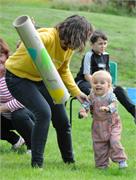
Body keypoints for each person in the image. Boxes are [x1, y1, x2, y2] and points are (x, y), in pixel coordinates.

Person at [5, 15, 94, 168]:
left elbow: (64, 70)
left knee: (62, 121)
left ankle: (69, 162)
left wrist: (77, 92)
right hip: (17, 78)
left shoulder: (67, 47)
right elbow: (34, 39)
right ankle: (37, 164)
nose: (83, 43)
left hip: (42, 78)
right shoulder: (48, 37)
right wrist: (28, 37)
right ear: (75, 34)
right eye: (83, 38)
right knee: (44, 113)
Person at [75, 30, 136, 123]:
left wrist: (109, 86)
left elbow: (107, 75)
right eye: (100, 44)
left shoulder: (106, 56)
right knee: (95, 92)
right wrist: (98, 87)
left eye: (105, 43)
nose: (103, 46)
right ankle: (90, 113)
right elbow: (87, 75)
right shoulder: (89, 55)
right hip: (85, 82)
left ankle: (134, 113)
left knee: (119, 90)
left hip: (103, 84)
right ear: (92, 44)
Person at [79, 70, 128, 169]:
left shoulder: (110, 95)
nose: (98, 85)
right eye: (95, 82)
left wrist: (108, 108)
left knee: (114, 141)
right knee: (99, 145)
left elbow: (114, 103)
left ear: (109, 85)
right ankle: (102, 165)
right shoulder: (92, 96)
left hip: (112, 123)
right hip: (98, 125)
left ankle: (121, 160)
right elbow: (86, 105)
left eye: (102, 83)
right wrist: (83, 112)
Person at [0, 38, 34, 153]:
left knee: (18, 115)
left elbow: (22, 99)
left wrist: (1, 108)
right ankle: (16, 140)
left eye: (0, 56)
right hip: (5, 116)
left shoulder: (15, 70)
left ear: (6, 55)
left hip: (28, 113)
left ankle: (32, 147)